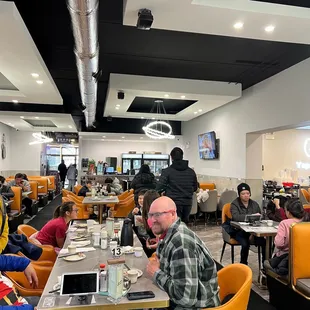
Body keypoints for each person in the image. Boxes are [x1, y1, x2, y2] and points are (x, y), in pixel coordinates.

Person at [146, 196, 220, 309]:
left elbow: (185, 299)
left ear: (172, 214)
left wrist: (156, 273)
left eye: (157, 214)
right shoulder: (171, 234)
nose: (152, 220)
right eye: (150, 215)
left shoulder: (181, 244)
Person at [268, 199, 310, 275]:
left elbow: (279, 244)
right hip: (305, 257)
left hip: (286, 257)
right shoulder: (306, 221)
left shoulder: (284, 223)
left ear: (288, 212)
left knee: (269, 263)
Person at [156, 147, 198, 223]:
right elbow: (195, 188)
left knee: (174, 225)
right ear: (182, 156)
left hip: (173, 202)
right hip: (187, 202)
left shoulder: (167, 171)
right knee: (184, 224)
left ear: (171, 157)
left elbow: (159, 187)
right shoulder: (191, 172)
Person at [230, 183, 266, 265]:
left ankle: (265, 265)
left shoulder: (254, 204)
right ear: (239, 194)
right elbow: (236, 217)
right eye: (243, 194)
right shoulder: (234, 204)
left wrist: (258, 217)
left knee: (264, 243)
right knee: (245, 244)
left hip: (253, 231)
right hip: (239, 231)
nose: (246, 195)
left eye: (247, 193)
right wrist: (250, 217)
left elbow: (261, 216)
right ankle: (243, 264)